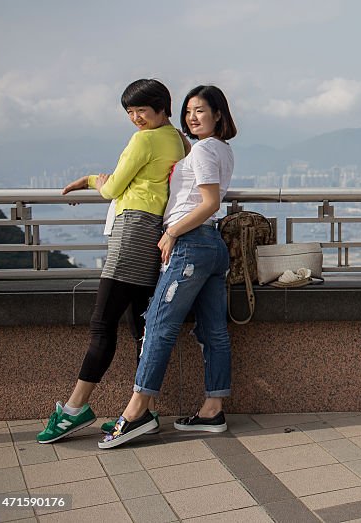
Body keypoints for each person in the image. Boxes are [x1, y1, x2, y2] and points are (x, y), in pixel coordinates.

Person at [38, 80, 185, 444]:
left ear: (162, 108)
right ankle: (145, 409)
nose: (135, 119)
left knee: (102, 324)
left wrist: (92, 180)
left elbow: (114, 187)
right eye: (130, 113)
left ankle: (75, 409)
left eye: (141, 112)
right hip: (155, 230)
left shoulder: (145, 140)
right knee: (141, 326)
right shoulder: (178, 139)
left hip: (133, 229)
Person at [99, 85, 237, 449]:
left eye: (201, 111)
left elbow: (207, 202)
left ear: (218, 115)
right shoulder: (219, 149)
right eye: (189, 111)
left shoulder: (206, 149)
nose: (192, 117)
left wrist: (172, 232)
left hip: (190, 246)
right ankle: (212, 409)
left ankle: (137, 412)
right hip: (212, 248)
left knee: (158, 326)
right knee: (214, 331)